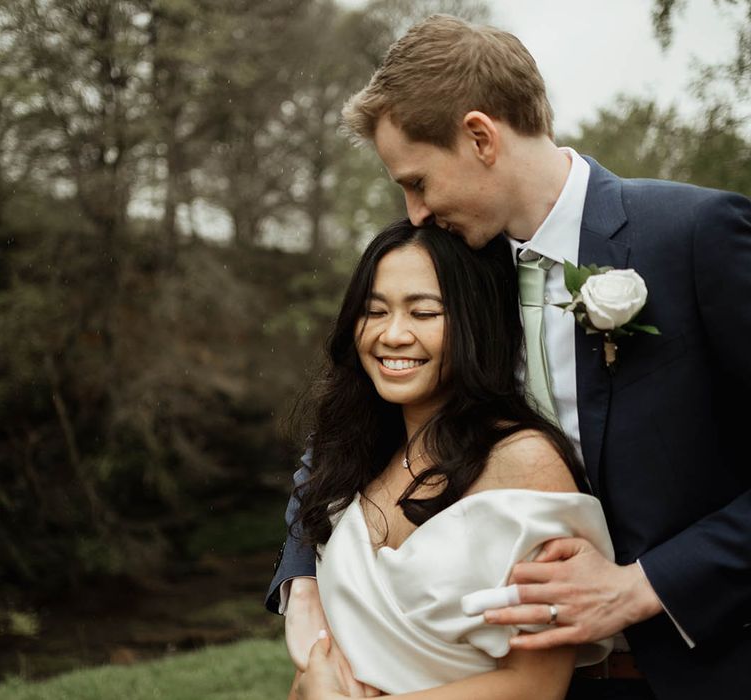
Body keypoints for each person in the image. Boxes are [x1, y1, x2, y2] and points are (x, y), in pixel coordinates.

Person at [267, 14, 751, 700]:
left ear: (479, 137)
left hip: (695, 675)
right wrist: (304, 577)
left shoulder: (691, 237)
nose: (413, 213)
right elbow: (348, 429)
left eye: (418, 181)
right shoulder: (458, 267)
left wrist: (645, 586)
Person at [283, 217, 615, 699]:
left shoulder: (525, 463)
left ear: (474, 322)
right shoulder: (356, 459)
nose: (392, 334)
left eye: (424, 313)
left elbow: (536, 685)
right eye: (374, 312)